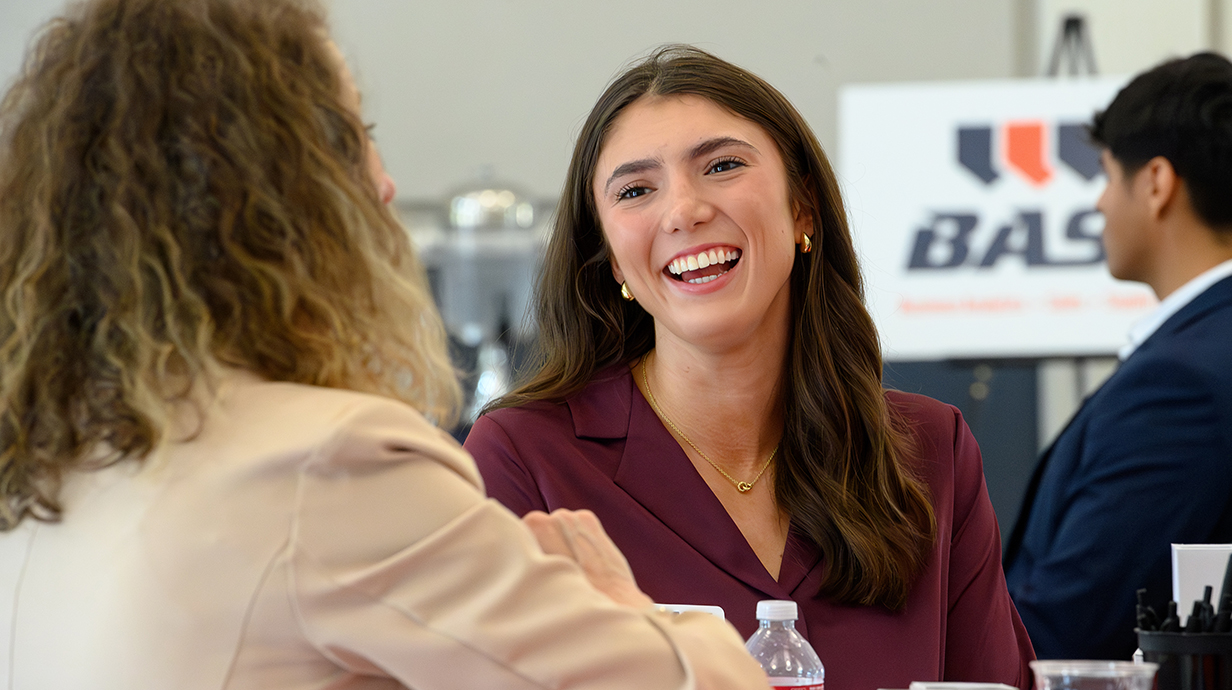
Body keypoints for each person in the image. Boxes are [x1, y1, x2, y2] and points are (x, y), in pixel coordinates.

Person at [0, 2, 771, 688]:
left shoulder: (54, 471)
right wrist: (630, 609)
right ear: (279, 186)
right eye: (354, 135)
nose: (388, 183)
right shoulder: (331, 464)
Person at [464, 45, 1035, 690]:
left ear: (803, 207)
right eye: (636, 190)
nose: (684, 211)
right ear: (613, 262)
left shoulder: (930, 449)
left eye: (723, 165)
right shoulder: (527, 460)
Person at [1003, 53, 1232, 660]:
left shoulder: (1179, 383)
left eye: (1106, 176)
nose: (1101, 204)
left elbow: (1069, 627)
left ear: (1156, 182)